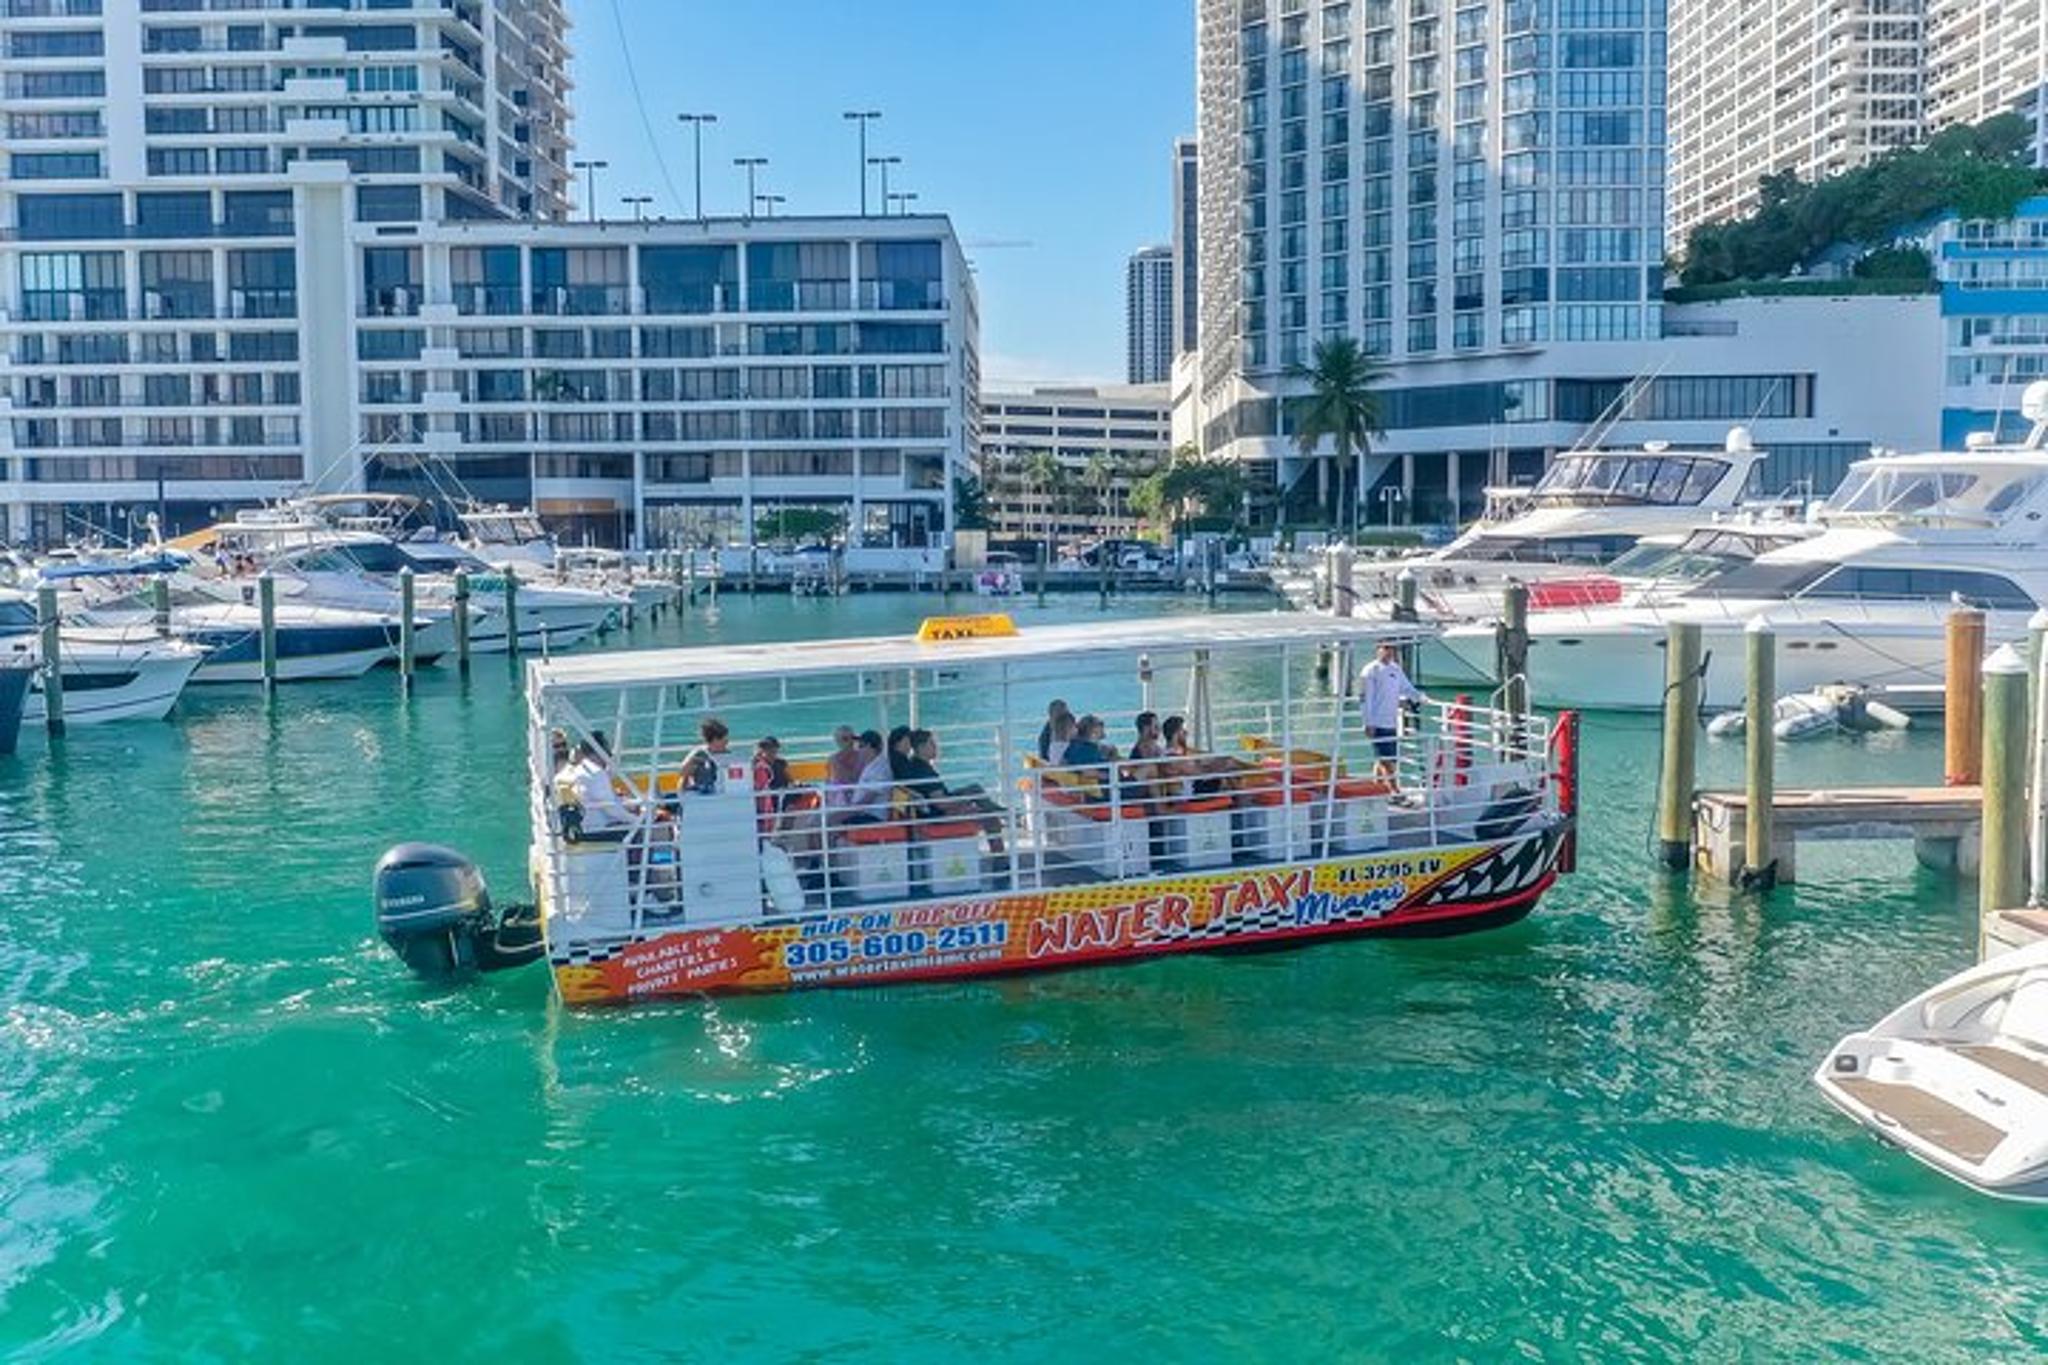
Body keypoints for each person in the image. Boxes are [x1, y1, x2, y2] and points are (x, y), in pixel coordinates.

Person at [1357, 640, 1426, 777]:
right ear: (1378, 649)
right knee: (1385, 759)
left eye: (1392, 649)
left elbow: (1406, 688)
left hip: (1392, 721)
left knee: (1387, 759)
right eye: (1386, 648)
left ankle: (1378, 787)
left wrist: (1420, 697)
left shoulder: (1395, 669)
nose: (1389, 652)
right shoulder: (1370, 670)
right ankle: (1394, 790)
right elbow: (1365, 699)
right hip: (1377, 722)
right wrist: (1368, 723)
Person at [564, 731, 642, 835]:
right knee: (658, 824)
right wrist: (640, 821)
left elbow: (607, 802)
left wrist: (634, 804)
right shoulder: (596, 774)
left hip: (587, 827)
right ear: (599, 752)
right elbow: (613, 811)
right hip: (600, 830)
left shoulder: (581, 769)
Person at [679, 716, 733, 793]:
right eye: (724, 739)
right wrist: (694, 761)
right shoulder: (699, 753)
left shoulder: (728, 754)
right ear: (714, 740)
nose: (727, 742)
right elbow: (682, 772)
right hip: (702, 793)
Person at [824, 725, 864, 808]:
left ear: (837, 741)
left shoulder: (834, 759)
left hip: (843, 801)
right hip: (851, 797)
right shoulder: (863, 756)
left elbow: (843, 781)